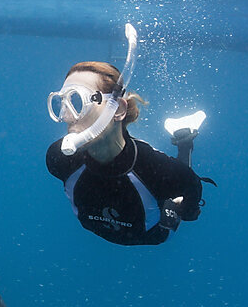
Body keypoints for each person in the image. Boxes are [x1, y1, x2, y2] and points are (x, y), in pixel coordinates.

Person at [45, 25, 210, 246]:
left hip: (153, 235)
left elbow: (191, 202)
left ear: (119, 110)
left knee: (171, 187)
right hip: (98, 231)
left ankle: (184, 137)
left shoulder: (162, 170)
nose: (67, 116)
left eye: (78, 102)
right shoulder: (58, 159)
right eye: (61, 104)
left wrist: (183, 209)